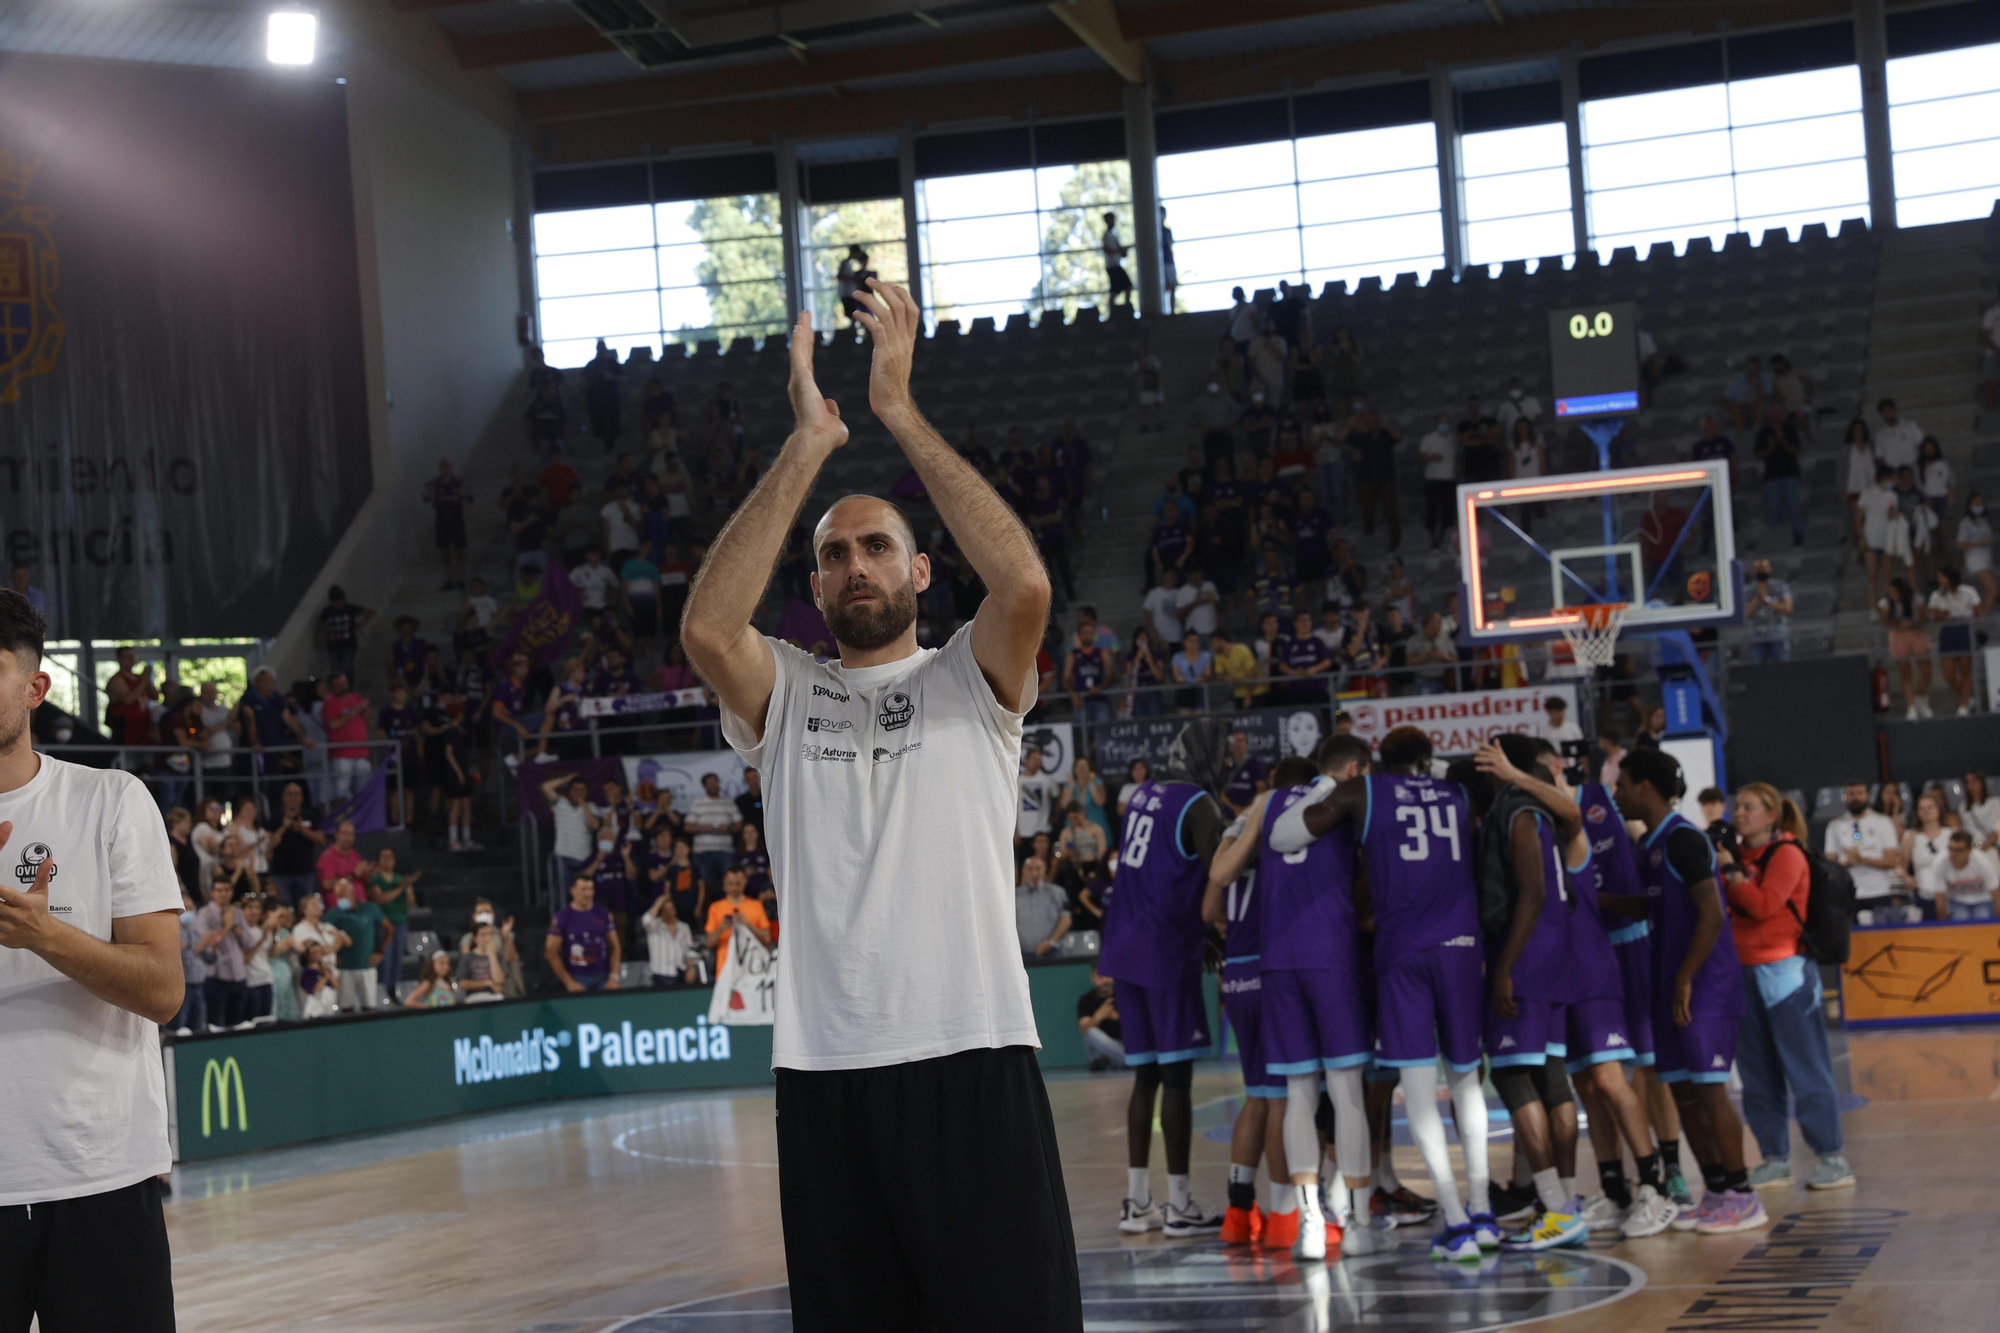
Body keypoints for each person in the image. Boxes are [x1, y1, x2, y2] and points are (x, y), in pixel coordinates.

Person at [682, 281, 1080, 1329]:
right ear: (811, 591)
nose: (852, 564)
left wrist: (898, 411)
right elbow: (705, 632)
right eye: (831, 554)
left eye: (872, 546)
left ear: (919, 568)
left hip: (971, 1057)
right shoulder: (785, 689)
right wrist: (809, 442)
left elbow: (1028, 590)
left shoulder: (967, 677)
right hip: (824, 1076)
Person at [0, 602, 188, 1333]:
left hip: (100, 1175)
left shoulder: (110, 801)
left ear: (35, 689)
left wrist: (46, 935)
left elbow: (164, 989)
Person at [1271, 726, 1496, 1259]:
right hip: (1462, 945)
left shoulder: (1361, 791)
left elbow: (1285, 837)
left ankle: (1456, 1218)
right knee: (1466, 1081)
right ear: (1425, 758)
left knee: (1418, 1092)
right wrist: (1434, 769)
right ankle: (1483, 1208)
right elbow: (1471, 778)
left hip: (1402, 953)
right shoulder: (1459, 791)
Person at [1612, 750, 1765, 1234]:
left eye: (1622, 784)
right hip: (1670, 987)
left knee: (1710, 1089)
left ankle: (1744, 1193)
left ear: (1645, 789)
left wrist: (1684, 977)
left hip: (1704, 988)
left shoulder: (1683, 840)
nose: (1616, 793)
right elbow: (1653, 906)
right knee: (1682, 1092)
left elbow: (1712, 913)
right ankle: (1716, 1188)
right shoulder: (1651, 846)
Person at [1099, 722, 1229, 1240]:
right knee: (1177, 1078)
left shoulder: (1142, 795)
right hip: (1164, 949)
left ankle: (1136, 1201)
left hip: (1124, 943)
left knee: (1145, 1075)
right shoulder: (1199, 804)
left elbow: (1158, 870)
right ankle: (1179, 1203)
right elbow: (1219, 870)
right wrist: (1214, 935)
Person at [1719, 784, 1854, 1191]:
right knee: (1757, 1072)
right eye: (1737, 806)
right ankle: (1774, 1157)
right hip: (1742, 972)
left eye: (1748, 807)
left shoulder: (1788, 855)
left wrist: (1730, 874)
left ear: (1771, 815)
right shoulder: (1735, 855)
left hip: (1785, 973)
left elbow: (1762, 906)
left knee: (1806, 1066)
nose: (1738, 813)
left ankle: (1832, 1156)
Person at [324, 876, 389, 1013]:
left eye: (342, 895)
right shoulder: (333, 914)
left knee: (369, 1007)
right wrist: (334, 955)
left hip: (367, 966)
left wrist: (381, 951)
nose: (339, 899)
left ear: (352, 893)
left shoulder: (370, 908)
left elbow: (389, 928)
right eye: (337, 896)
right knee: (346, 1009)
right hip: (345, 968)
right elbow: (324, 936)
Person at [547, 874, 620, 992]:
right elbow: (550, 952)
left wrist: (614, 977)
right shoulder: (562, 917)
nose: (588, 893)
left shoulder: (603, 913)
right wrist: (569, 982)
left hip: (603, 976)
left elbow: (615, 946)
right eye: (583, 889)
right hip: (577, 977)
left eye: (590, 889)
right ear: (572, 891)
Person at [368, 848, 422, 1005]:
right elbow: (380, 899)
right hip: (384, 925)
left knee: (397, 960)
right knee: (385, 960)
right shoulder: (376, 879)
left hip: (401, 923)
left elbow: (409, 904)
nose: (387, 860)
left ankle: (394, 991)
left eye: (390, 857)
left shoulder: (400, 878)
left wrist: (408, 889)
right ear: (379, 860)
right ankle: (382, 993)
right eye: (383, 857)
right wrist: (400, 888)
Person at [701, 866, 771, 977]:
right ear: (725, 883)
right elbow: (708, 943)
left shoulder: (756, 905)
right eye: (730, 884)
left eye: (738, 884)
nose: (734, 888)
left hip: (752, 969)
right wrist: (721, 928)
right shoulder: (716, 907)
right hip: (725, 970)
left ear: (745, 882)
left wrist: (747, 924)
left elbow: (766, 939)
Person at [1929, 566, 1981, 715]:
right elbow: (1935, 615)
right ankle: (1968, 697)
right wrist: (1942, 614)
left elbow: (1978, 610)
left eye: (1942, 578)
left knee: (1965, 669)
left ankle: (1964, 704)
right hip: (1948, 630)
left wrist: (1975, 628)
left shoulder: (1968, 591)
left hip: (1965, 628)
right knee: (1948, 673)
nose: (1939, 581)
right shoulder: (1937, 595)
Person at [686, 771, 740, 905]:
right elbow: (688, 827)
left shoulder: (728, 802)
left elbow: (739, 824)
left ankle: (728, 909)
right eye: (709, 783)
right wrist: (706, 828)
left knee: (728, 883)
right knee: (706, 885)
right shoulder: (698, 803)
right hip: (703, 852)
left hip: (724, 850)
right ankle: (708, 913)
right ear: (704, 786)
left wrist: (727, 828)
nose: (713, 785)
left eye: (715, 782)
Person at [1921, 830, 2000, 920]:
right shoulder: (1940, 863)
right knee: (1960, 919)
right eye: (1950, 849)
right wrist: (1943, 927)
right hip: (1956, 901)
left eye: (1958, 850)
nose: (1953, 854)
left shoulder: (1982, 861)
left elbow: (1996, 894)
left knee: (1982, 917)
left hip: (1982, 899)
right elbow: (1940, 898)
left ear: (1969, 850)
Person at [1014, 856, 1070, 957]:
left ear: (1045, 869)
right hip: (1021, 955)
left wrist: (1051, 942)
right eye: (1030, 869)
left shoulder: (1057, 892)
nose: (1034, 873)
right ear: (1023, 871)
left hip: (1053, 952)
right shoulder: (1014, 895)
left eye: (1038, 868)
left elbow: (1066, 920)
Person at [642, 892, 698, 987]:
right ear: (661, 912)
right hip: (661, 973)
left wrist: (691, 967)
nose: (670, 912)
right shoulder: (655, 926)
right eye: (666, 910)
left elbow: (690, 949)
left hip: (680, 971)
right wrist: (659, 902)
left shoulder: (684, 927)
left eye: (672, 909)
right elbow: (646, 920)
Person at [1744, 558, 1794, 663]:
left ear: (1769, 569)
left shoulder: (1780, 586)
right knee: (1758, 671)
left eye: (1764, 568)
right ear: (1754, 570)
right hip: (1756, 635)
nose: (1762, 571)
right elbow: (1746, 613)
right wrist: (1757, 600)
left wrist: (1768, 601)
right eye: (1759, 569)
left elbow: (1788, 609)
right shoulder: (1747, 590)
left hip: (1778, 633)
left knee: (1782, 668)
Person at [1075, 968, 1123, 1070]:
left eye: (1108, 976)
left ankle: (1124, 1060)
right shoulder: (1086, 1000)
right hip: (1101, 1051)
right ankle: (1106, 1062)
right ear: (1093, 978)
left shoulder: (1123, 996)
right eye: (1101, 977)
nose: (1105, 980)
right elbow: (1084, 1030)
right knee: (1091, 1031)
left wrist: (1120, 1018)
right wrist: (1098, 1017)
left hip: (1124, 1046)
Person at [1017, 746, 1063, 849]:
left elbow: (1058, 798)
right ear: (1026, 760)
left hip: (1044, 829)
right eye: (1034, 759)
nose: (1037, 762)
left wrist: (1054, 817)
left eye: (1039, 760)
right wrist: (1015, 831)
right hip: (1024, 832)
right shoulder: (1018, 781)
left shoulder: (1047, 780)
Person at [454, 920, 510, 1002]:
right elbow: (462, 983)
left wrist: (492, 955)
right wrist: (488, 983)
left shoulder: (499, 956)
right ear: (475, 938)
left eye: (490, 934)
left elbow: (499, 980)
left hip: (495, 997)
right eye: (483, 935)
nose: (488, 938)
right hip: (474, 998)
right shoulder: (468, 957)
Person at [1102, 211, 1133, 309]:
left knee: (1116, 290)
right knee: (1125, 287)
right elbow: (1107, 250)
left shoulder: (1112, 235)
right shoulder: (1107, 235)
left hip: (1115, 265)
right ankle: (1120, 310)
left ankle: (1117, 310)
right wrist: (1119, 250)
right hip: (1113, 266)